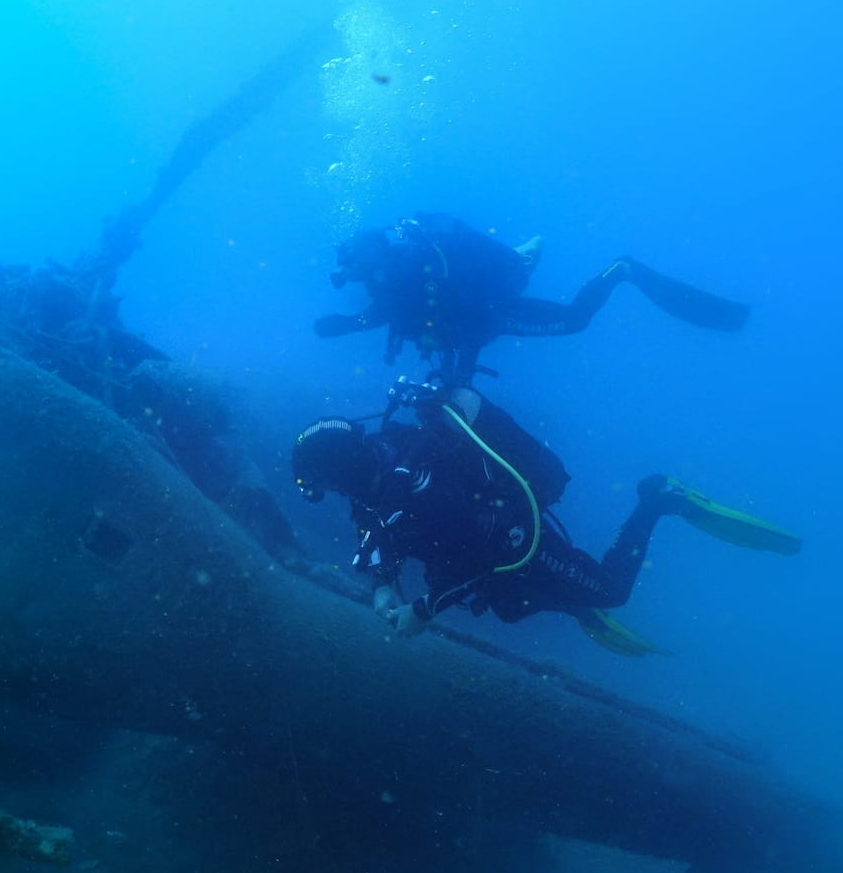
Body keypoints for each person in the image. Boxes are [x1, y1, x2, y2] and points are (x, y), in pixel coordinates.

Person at [290, 381, 800, 641]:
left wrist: (423, 610)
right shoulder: (374, 484)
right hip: (476, 561)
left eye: (324, 483)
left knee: (611, 593)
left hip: (514, 541)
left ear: (341, 469)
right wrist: (383, 587)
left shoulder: (415, 479)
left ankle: (659, 499)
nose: (329, 493)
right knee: (512, 609)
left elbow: (477, 556)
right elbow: (376, 537)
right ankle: (574, 599)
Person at [314, 214, 751, 384]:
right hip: (483, 306)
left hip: (496, 312)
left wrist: (461, 377)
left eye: (352, 267)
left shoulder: (408, 271)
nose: (349, 277)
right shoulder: (397, 277)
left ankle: (621, 270)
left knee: (576, 320)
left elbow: (459, 322)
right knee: (518, 270)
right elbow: (400, 311)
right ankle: (523, 258)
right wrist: (350, 324)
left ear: (370, 257)